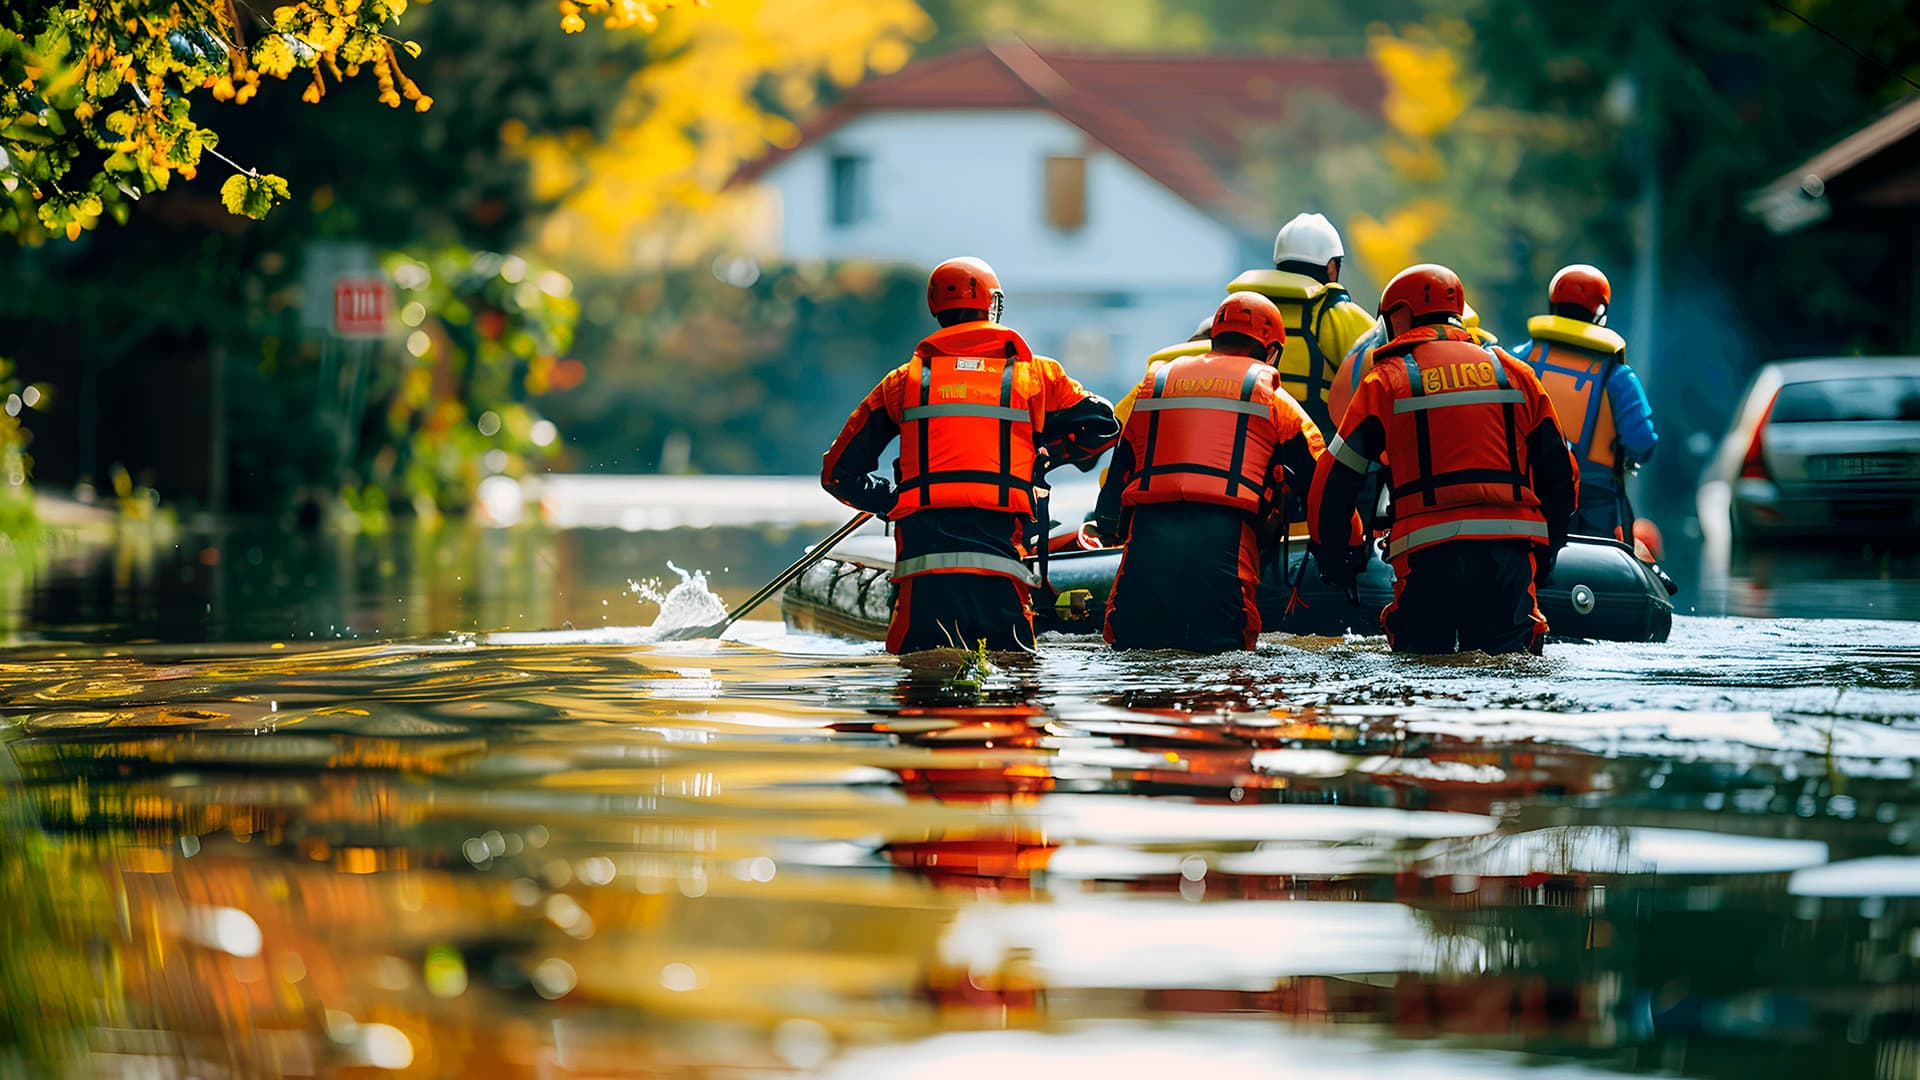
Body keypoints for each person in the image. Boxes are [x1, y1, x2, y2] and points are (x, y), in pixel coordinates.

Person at [820, 257, 1118, 654]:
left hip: (923, 575)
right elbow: (1104, 425)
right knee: (1014, 683)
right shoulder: (1036, 377)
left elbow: (838, 474)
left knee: (918, 684)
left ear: (936, 312)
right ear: (993, 305)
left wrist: (891, 501)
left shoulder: (901, 383)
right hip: (1001, 571)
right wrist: (1045, 457)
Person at [1308, 264, 1578, 656]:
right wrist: (1549, 547)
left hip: (1427, 559)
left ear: (1400, 316)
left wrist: (1336, 560)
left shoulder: (1385, 381)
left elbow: (1332, 485)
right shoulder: (1515, 373)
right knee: (1509, 674)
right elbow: (1561, 475)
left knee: (1421, 676)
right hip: (1508, 559)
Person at [1093, 292, 1350, 652]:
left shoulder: (1154, 385)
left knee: (1137, 661)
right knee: (1224, 674)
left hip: (1146, 550)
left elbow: (1114, 489)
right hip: (1224, 552)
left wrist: (1108, 527)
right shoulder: (1275, 399)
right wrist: (1344, 555)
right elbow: (1324, 489)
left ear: (1215, 337)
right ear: (1272, 351)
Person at [1508, 264, 1658, 541]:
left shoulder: (1514, 360)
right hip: (1593, 510)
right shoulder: (1618, 376)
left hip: (1524, 497)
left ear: (1552, 304)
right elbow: (1642, 443)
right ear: (1600, 313)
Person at [1211, 212, 1377, 434]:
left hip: (1249, 435)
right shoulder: (1337, 314)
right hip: (1316, 446)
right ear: (1331, 267)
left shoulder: (1241, 310)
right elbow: (1384, 372)